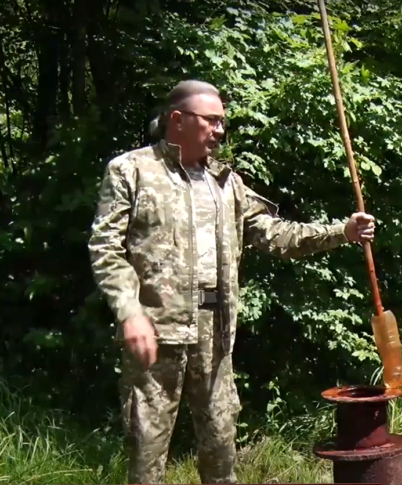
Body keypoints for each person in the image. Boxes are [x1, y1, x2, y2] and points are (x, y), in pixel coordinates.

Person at [87, 80, 376, 484]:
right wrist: (130, 312)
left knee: (221, 448)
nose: (220, 130)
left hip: (215, 338)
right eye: (212, 120)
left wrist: (340, 232)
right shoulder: (132, 171)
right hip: (155, 335)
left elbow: (277, 235)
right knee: (146, 452)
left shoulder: (227, 184)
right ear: (178, 120)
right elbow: (106, 248)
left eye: (223, 121)